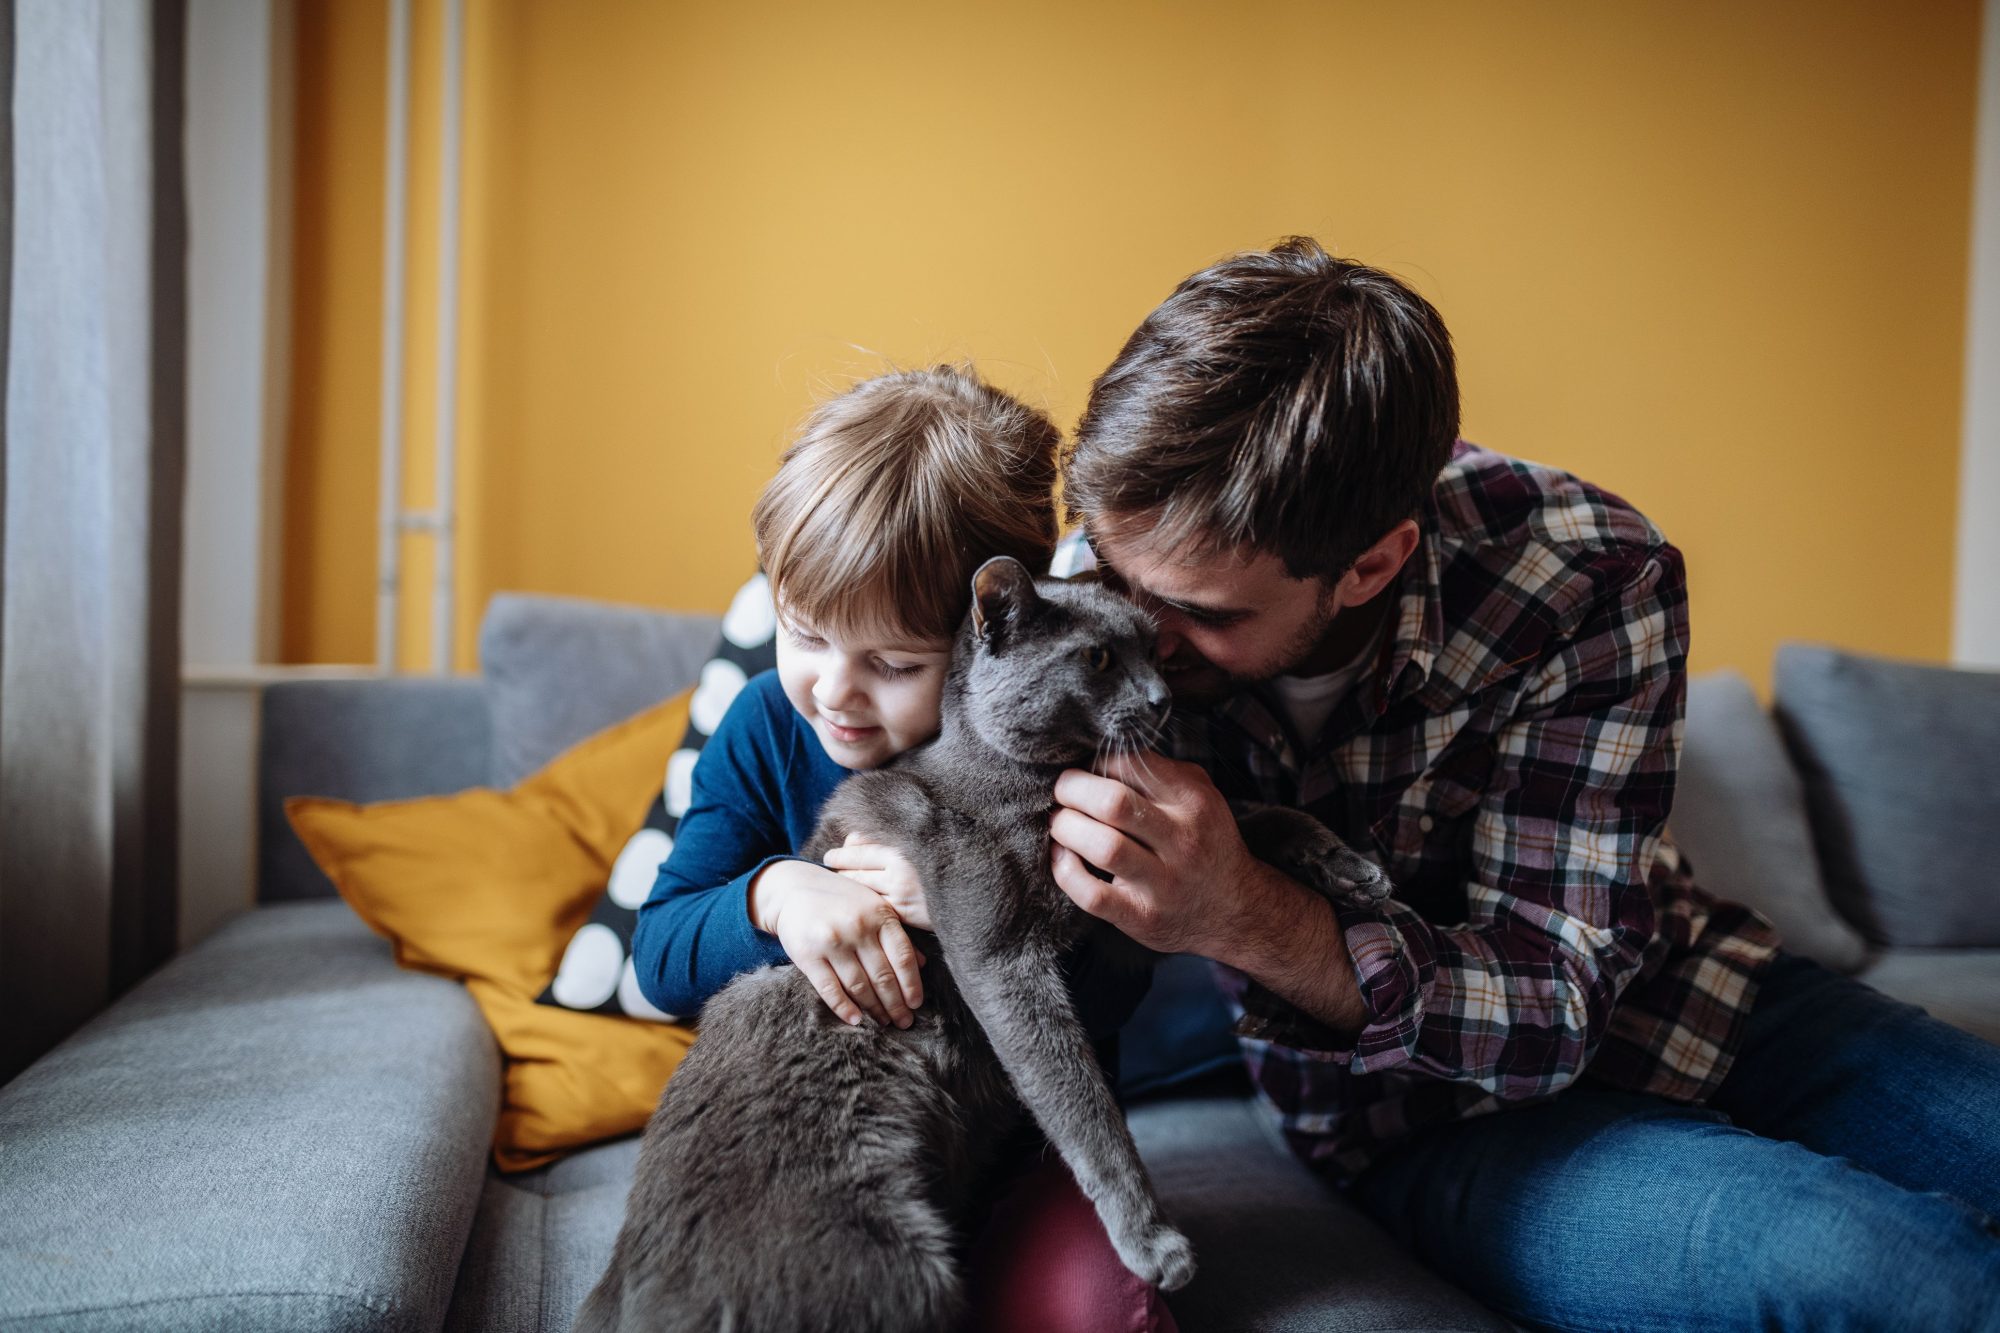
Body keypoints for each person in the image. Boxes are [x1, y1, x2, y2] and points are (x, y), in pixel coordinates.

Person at [1046, 237, 2000, 1330]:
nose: (1135, 634)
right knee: (1892, 1271)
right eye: (1115, 578)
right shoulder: (1083, 603)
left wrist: (1246, 916)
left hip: (1699, 996)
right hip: (1417, 1117)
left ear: (1370, 562)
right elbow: (853, 721)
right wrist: (805, 879)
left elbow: (1553, 997)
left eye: (1203, 614)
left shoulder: (1587, 573)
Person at [629, 364, 1178, 1333]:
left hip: (1016, 1152)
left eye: (889, 663)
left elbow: (1117, 991)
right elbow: (659, 954)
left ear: (988, 639)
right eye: (803, 635)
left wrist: (978, 918)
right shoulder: (765, 724)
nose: (833, 690)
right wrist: (776, 895)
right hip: (818, 1148)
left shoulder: (1057, 743)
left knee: (1107, 1312)